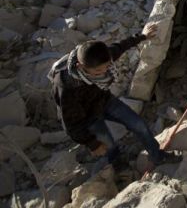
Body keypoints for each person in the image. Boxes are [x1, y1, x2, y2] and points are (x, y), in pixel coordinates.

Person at [47, 24, 177, 173]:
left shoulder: (100, 57)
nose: (104, 72)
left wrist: (142, 36)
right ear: (80, 66)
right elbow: (70, 124)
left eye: (106, 67)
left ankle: (157, 156)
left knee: (138, 124)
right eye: (98, 71)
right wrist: (92, 144)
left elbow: (119, 47)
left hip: (105, 101)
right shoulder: (66, 86)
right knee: (108, 146)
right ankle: (118, 166)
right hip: (87, 118)